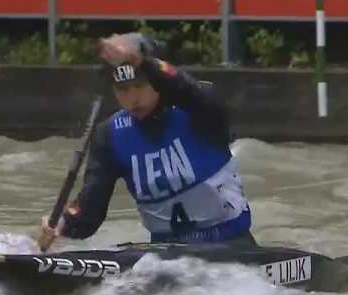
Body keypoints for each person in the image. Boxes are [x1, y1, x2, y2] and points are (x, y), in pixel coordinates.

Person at [38, 33, 256, 250]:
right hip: (166, 258)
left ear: (157, 80)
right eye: (122, 89)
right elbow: (90, 207)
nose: (133, 98)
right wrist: (62, 225)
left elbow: (183, 87)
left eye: (139, 85)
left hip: (231, 246)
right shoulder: (110, 136)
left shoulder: (200, 108)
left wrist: (140, 61)